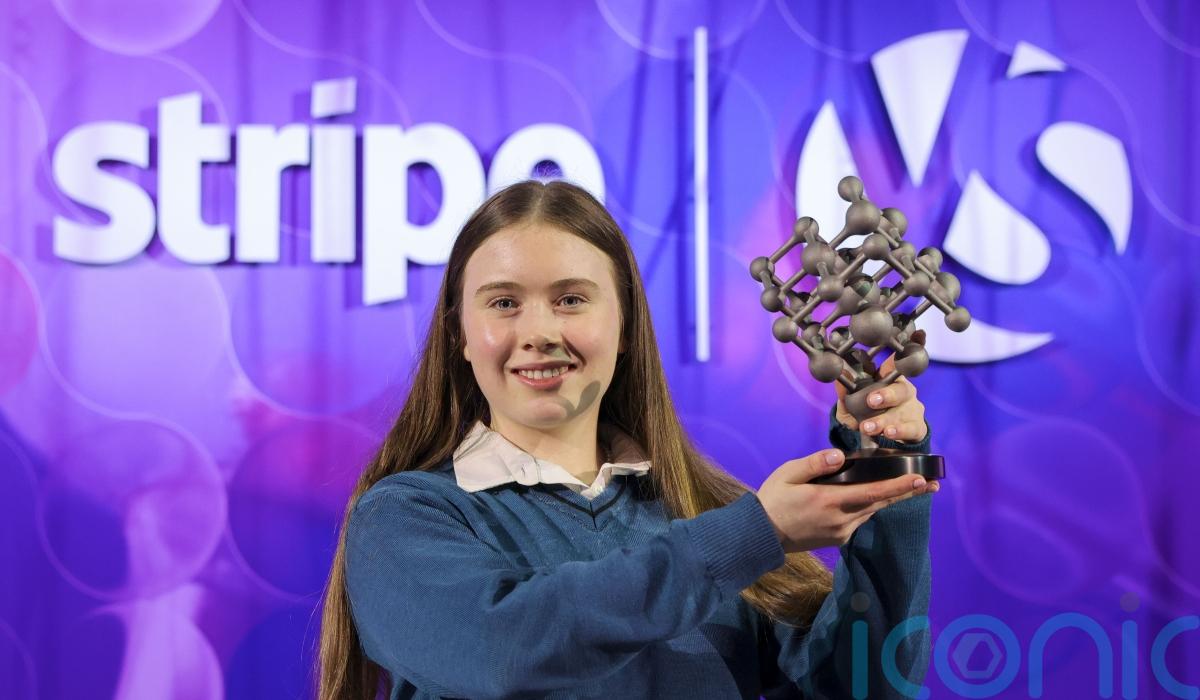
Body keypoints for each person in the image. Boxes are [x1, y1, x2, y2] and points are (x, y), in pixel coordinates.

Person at [317, 180, 938, 699]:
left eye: (571, 299)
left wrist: (885, 475)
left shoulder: (707, 512)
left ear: (624, 328)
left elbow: (864, 687)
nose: (538, 332)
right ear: (460, 334)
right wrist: (755, 535)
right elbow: (501, 651)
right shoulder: (405, 518)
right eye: (503, 303)